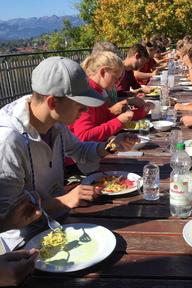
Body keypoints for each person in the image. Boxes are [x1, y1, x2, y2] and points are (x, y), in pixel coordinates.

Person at [0, 56, 137, 249]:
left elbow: (79, 150)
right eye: (80, 103)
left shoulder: (55, 123)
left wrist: (111, 146)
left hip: (61, 221)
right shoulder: (7, 141)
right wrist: (64, 200)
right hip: (23, 245)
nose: (85, 109)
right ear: (52, 102)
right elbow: (9, 216)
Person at [69, 51, 151, 142]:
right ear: (103, 72)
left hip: (97, 148)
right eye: (115, 78)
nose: (117, 83)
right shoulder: (86, 93)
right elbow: (83, 136)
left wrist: (142, 111)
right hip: (83, 153)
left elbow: (106, 118)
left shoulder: (97, 90)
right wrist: (119, 121)